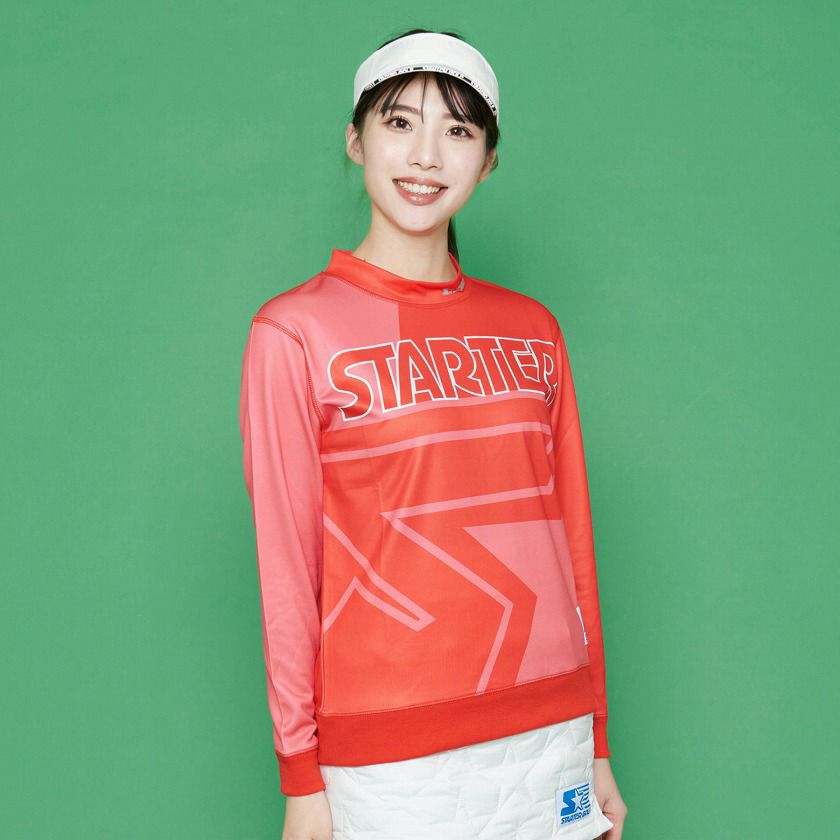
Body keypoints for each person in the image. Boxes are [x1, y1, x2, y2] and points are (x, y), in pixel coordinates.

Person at [239, 27, 628, 840]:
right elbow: (288, 572)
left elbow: (573, 550)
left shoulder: (533, 328)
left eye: (457, 130)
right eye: (399, 122)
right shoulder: (295, 332)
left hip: (548, 730)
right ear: (356, 140)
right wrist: (300, 773)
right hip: (392, 751)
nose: (426, 155)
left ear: (487, 162)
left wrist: (596, 743)